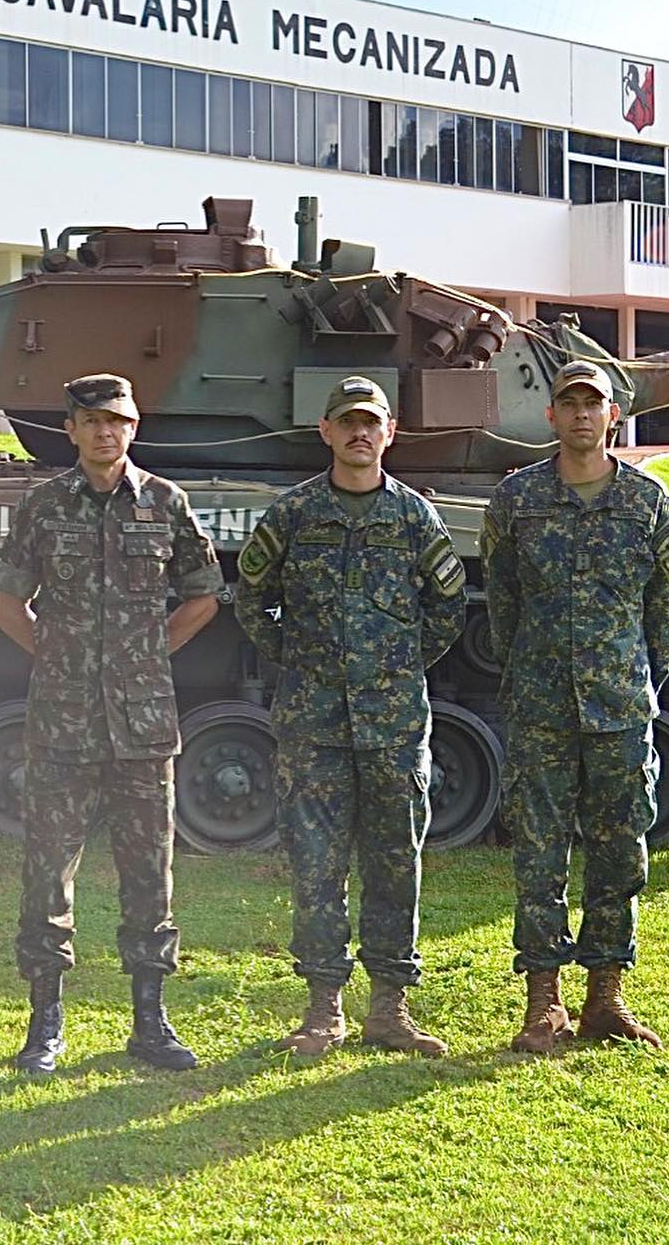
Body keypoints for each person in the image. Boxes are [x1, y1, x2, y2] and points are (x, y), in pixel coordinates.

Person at [0, 373, 223, 1075]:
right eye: (91, 421)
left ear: (134, 426)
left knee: (149, 874)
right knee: (47, 876)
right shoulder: (42, 506)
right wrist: (61, 658)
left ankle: (150, 1023)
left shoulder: (163, 502)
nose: (104, 432)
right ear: (71, 430)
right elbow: (9, 604)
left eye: (116, 420)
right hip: (61, 723)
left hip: (142, 725)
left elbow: (203, 594)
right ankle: (45, 1025)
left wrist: (146, 655)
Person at [234, 375, 466, 1059]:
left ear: (389, 434)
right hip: (314, 725)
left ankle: (390, 1008)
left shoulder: (416, 517)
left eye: (372, 423)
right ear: (327, 433)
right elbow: (251, 597)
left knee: (397, 863)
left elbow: (448, 605)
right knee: (316, 866)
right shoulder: (294, 516)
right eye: (348, 422)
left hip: (394, 724)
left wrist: (398, 665)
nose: (360, 433)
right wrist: (298, 660)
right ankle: (322, 1009)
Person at [482, 359, 669, 1053]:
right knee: (539, 854)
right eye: (567, 404)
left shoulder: (649, 503)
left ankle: (607, 997)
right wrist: (527, 671)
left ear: (612, 417)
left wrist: (637, 680)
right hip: (540, 704)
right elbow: (501, 599)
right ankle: (544, 1002)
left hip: (619, 708)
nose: (579, 415)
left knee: (619, 850)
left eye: (591, 404)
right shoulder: (516, 500)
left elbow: (665, 608)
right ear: (551, 416)